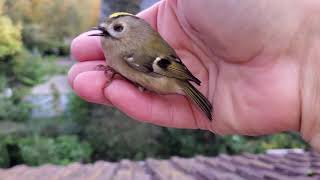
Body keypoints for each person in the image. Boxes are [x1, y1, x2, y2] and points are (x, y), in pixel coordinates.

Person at [68, 1, 320, 151]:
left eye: (117, 29)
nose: (105, 32)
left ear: (131, 34)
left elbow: (166, 67)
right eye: (105, 29)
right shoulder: (118, 49)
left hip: (170, 77)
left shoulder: (132, 52)